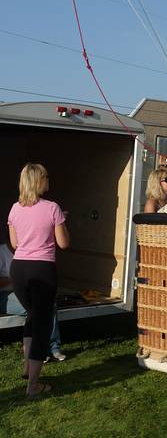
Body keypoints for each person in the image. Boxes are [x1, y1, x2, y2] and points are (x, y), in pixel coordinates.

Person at [8, 163, 70, 397]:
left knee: (32, 316)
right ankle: (33, 385)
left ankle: (27, 367)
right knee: (43, 324)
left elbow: (15, 244)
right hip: (42, 269)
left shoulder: (14, 208)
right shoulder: (53, 208)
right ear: (38, 180)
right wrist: (63, 221)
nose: (49, 181)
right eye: (46, 177)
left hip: (19, 268)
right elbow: (64, 243)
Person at [0, 239, 65, 362]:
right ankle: (39, 350)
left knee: (49, 303)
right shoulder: (1, 252)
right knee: (35, 309)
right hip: (5, 295)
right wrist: (16, 278)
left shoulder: (30, 252)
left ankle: (53, 347)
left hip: (26, 290)